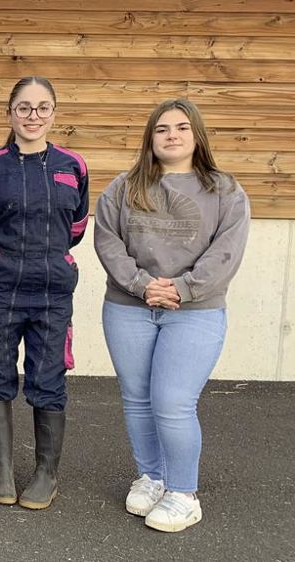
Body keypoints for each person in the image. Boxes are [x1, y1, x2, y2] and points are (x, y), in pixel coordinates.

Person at [94, 98, 250, 532]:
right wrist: (142, 284)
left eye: (182, 127)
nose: (172, 135)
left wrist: (181, 288)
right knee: (138, 400)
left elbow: (227, 251)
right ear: (151, 137)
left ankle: (183, 493)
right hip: (129, 307)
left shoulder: (225, 191)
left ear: (196, 135)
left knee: (173, 403)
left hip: (195, 311)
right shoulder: (123, 188)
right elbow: (107, 241)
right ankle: (152, 476)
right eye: (162, 129)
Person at [0, 77, 89, 509]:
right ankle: (1, 469)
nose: (33, 116)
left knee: (48, 379)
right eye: (24, 108)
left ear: (53, 113)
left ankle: (45, 473)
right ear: (10, 114)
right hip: (0, 290)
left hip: (53, 291)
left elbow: (74, 230)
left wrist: (45, 259)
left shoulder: (73, 166)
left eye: (42, 108)